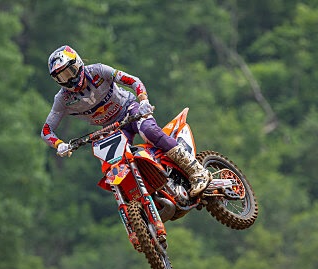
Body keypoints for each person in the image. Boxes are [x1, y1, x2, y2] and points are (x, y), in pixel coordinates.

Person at [41, 45, 211, 197]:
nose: (68, 79)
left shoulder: (99, 71)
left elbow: (133, 81)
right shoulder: (62, 99)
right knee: (114, 166)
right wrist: (59, 145)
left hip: (130, 110)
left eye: (69, 72)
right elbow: (46, 131)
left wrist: (143, 101)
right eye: (62, 77)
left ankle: (196, 171)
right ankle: (148, 194)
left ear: (78, 64)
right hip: (110, 129)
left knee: (149, 131)